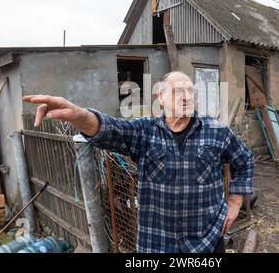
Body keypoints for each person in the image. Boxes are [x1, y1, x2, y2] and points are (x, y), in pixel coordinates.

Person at [23, 71, 254, 253]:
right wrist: (80, 117)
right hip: (157, 243)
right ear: (161, 98)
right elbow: (111, 130)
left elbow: (244, 160)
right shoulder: (145, 131)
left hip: (207, 240)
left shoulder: (217, 131)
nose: (186, 96)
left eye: (190, 91)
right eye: (177, 91)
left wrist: (235, 200)